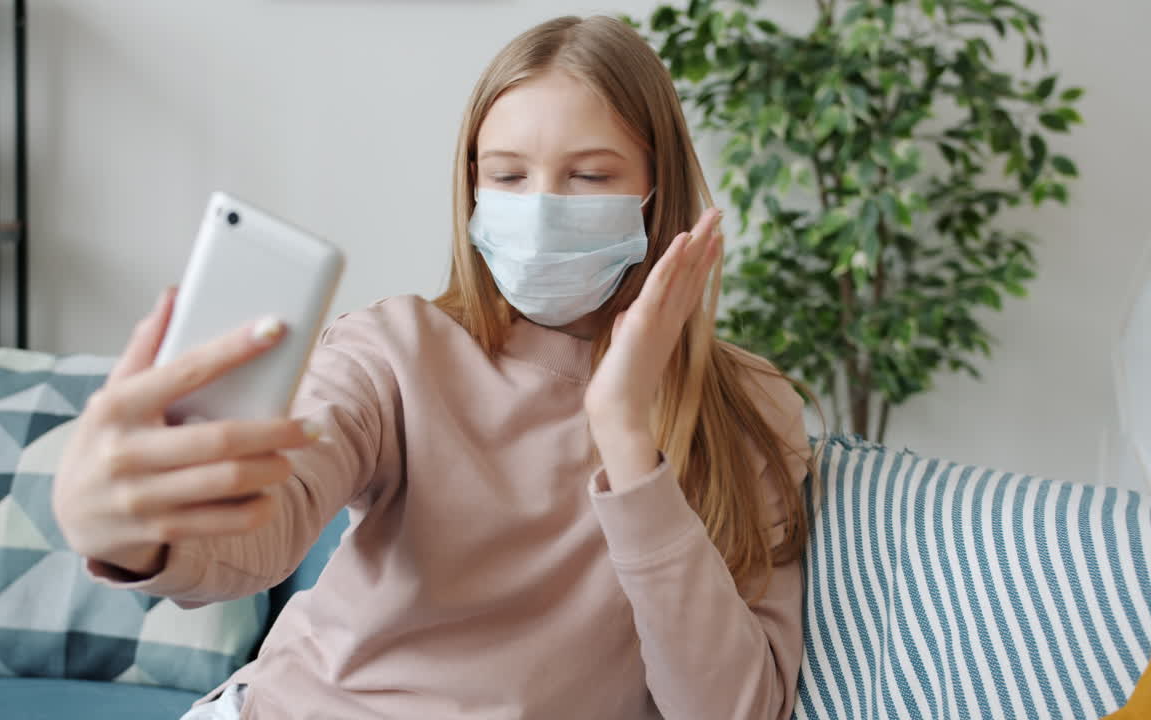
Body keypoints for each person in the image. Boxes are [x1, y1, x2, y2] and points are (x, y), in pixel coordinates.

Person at [52, 14, 817, 720]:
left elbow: (731, 708)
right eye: (510, 176)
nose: (543, 209)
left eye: (590, 177)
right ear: (473, 190)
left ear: (657, 192)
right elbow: (268, 523)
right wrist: (134, 533)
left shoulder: (750, 406)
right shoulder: (393, 348)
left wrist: (625, 434)